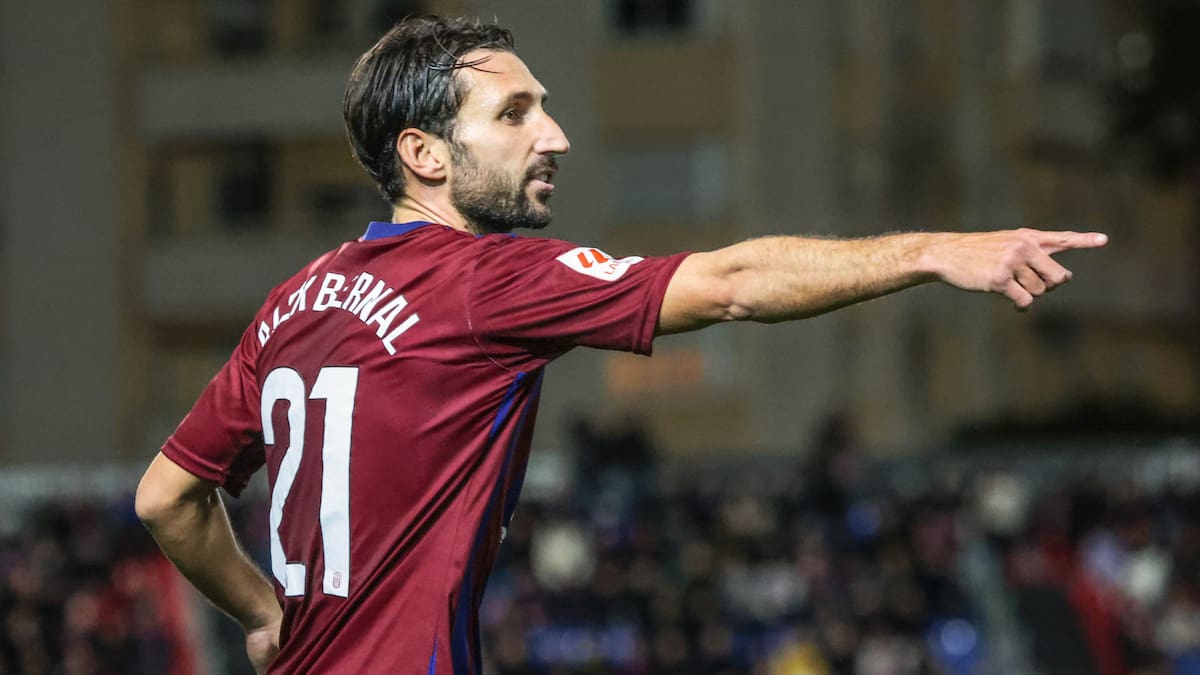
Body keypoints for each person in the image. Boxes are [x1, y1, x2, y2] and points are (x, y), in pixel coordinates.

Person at [133, 15, 1108, 675]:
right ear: (424, 156)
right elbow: (728, 286)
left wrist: (263, 615)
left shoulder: (292, 302)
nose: (552, 134)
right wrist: (935, 248)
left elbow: (168, 497)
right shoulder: (484, 282)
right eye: (514, 114)